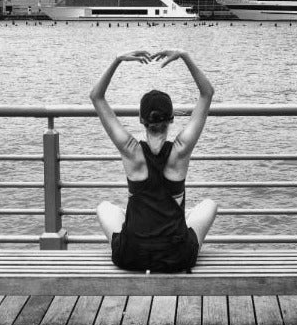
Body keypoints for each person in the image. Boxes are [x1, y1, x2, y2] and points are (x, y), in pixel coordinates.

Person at [90, 49, 218, 272]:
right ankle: (176, 223)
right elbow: (207, 93)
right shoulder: (181, 150)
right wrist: (185, 56)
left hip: (131, 255)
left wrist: (117, 59)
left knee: (105, 208)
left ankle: (151, 229)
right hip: (176, 256)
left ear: (141, 120)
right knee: (210, 205)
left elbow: (96, 96)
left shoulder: (131, 151)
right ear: (172, 119)